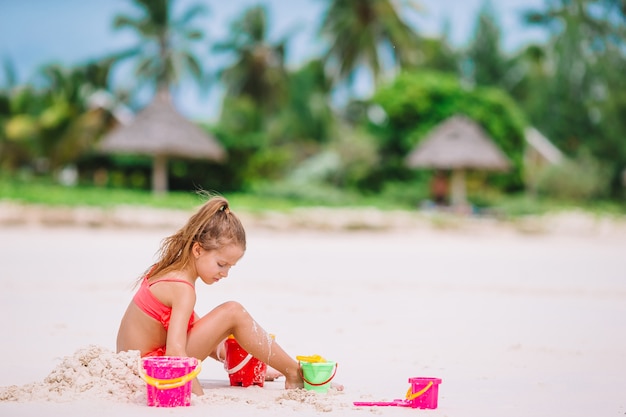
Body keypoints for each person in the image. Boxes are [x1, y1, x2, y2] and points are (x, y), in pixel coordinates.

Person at [116, 194, 304, 395]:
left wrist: (230, 356)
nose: (225, 273)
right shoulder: (183, 289)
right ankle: (295, 373)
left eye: (230, 267)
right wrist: (198, 396)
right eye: (221, 264)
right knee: (233, 312)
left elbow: (193, 329)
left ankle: (252, 366)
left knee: (225, 321)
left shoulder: (169, 271)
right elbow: (175, 352)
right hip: (151, 374)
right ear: (198, 250)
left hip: (133, 368)